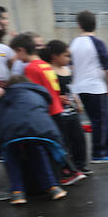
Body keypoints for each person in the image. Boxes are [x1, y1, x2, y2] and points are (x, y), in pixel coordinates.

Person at [12, 34, 86, 186]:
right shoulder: (44, 65)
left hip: (47, 111)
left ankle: (67, 173)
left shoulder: (30, 68)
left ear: (22, 50)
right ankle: (71, 171)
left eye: (16, 52)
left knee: (51, 145)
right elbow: (53, 89)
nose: (15, 57)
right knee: (59, 142)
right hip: (57, 108)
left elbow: (33, 91)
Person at [69, 11, 108, 164]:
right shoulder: (97, 43)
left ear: (79, 25)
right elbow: (107, 69)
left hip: (80, 87)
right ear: (95, 24)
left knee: (101, 120)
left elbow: (72, 67)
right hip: (95, 87)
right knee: (100, 121)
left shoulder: (74, 44)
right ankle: (99, 152)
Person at [0, 76, 68, 204]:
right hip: (40, 128)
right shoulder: (37, 93)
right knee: (38, 151)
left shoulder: (6, 94)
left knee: (11, 155)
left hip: (12, 130)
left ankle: (17, 193)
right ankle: (53, 187)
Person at [41, 40, 91, 177]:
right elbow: (49, 91)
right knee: (65, 140)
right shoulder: (48, 70)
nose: (68, 59)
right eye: (66, 56)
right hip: (59, 112)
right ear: (54, 57)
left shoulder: (67, 70)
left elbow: (72, 88)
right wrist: (58, 99)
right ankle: (67, 168)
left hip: (71, 110)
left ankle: (80, 164)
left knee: (79, 138)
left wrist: (78, 102)